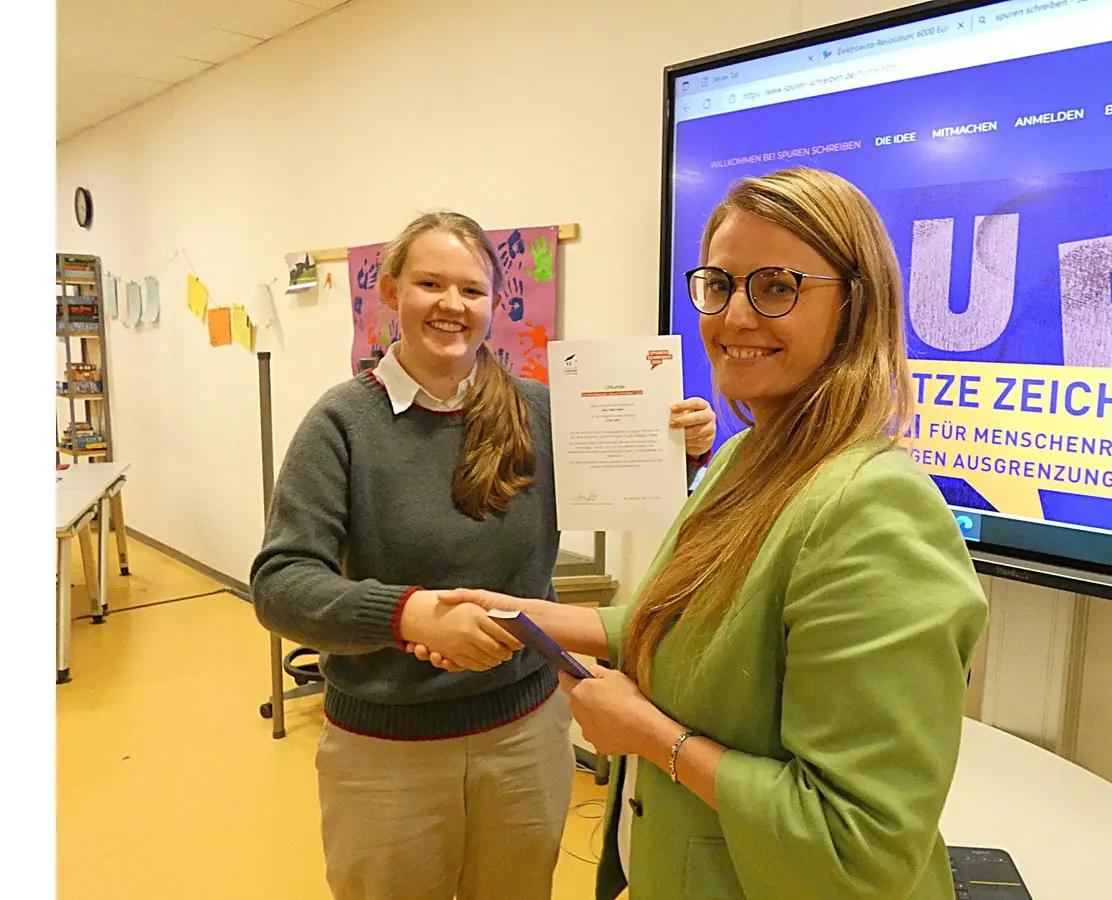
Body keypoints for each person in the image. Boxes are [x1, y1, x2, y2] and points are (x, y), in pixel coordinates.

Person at [410, 168, 989, 900]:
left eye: (776, 287)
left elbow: (859, 850)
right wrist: (524, 616)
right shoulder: (748, 457)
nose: (734, 316)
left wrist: (651, 736)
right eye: (719, 284)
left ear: (855, 305)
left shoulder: (874, 510)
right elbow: (693, 628)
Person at [250, 210, 717, 900]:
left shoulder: (541, 411)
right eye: (430, 284)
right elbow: (281, 583)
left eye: (471, 290)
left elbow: (623, 488)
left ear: (493, 304)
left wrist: (681, 450)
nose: (452, 304)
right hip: (386, 754)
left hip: (523, 736)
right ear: (391, 293)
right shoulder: (341, 423)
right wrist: (408, 615)